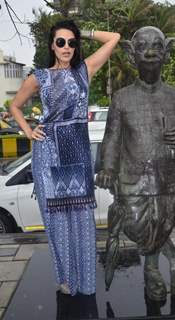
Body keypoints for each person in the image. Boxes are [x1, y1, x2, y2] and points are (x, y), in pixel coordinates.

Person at [9, 19, 120, 296]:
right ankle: (66, 281)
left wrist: (82, 31)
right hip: (50, 153)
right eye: (61, 42)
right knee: (58, 222)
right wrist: (28, 130)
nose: (67, 47)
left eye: (72, 42)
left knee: (82, 218)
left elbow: (114, 38)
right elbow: (15, 105)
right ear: (52, 46)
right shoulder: (40, 77)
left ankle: (86, 281)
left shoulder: (85, 70)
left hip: (78, 153)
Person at [95, 26, 175, 301]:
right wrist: (107, 168)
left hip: (166, 176)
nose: (150, 52)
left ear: (165, 53)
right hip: (131, 179)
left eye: (156, 46)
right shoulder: (122, 98)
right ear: (132, 55)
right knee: (136, 227)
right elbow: (112, 139)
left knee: (162, 226)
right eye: (142, 47)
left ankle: (153, 270)